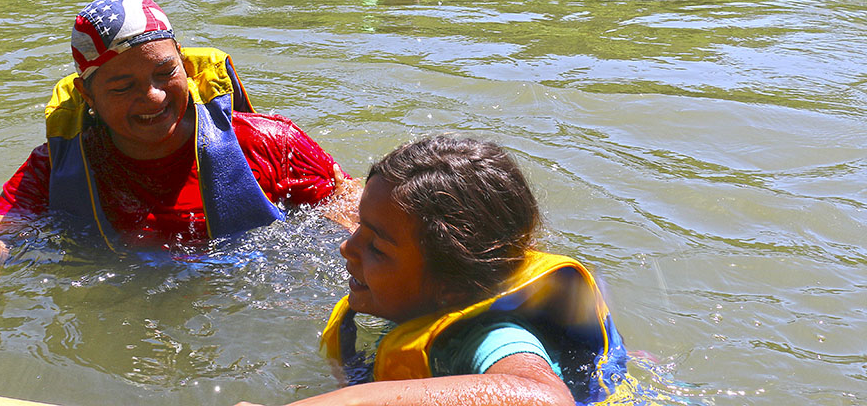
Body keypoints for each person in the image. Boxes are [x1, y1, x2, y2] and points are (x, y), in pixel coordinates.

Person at [0, 0, 359, 274]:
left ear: (185, 65)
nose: (154, 97)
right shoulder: (54, 169)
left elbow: (350, 203)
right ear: (88, 97)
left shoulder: (269, 143)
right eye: (123, 87)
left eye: (165, 73)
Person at [236, 134, 634, 406]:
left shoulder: (491, 337)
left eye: (376, 247)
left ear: (452, 287)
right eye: (359, 228)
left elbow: (545, 399)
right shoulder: (430, 304)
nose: (347, 247)